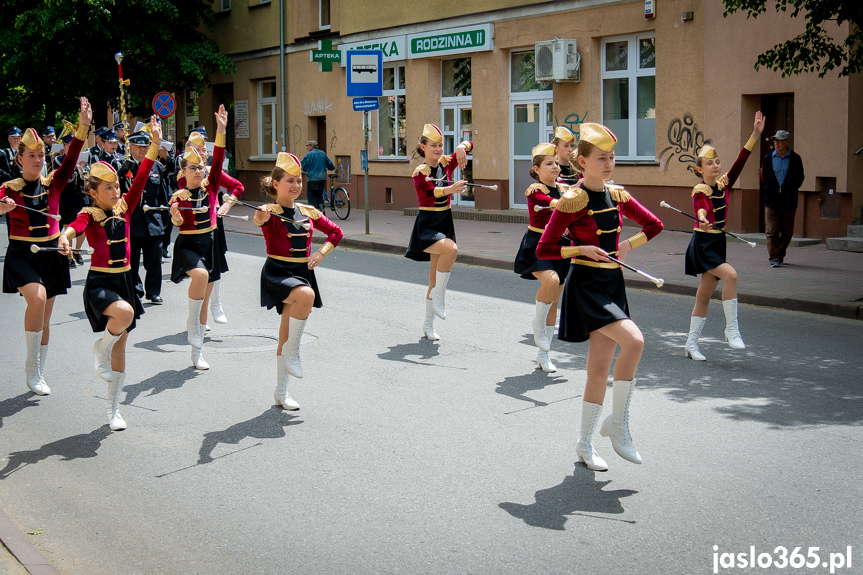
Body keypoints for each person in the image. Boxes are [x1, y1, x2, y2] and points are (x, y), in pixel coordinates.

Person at [537, 122, 663, 471]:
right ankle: (618, 425)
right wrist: (581, 249)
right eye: (601, 158)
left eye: (611, 158)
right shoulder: (572, 200)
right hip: (587, 286)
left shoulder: (618, 195)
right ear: (582, 162)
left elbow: (654, 225)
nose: (608, 164)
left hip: (613, 284)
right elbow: (545, 247)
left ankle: (584, 444)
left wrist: (626, 245)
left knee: (597, 371)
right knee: (635, 342)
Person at [61, 116, 162, 430]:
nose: (116, 190)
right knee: (124, 313)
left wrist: (155, 142)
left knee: (122, 345)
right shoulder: (89, 214)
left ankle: (113, 409)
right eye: (109, 188)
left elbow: (143, 173)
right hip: (101, 281)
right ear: (94, 193)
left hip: (125, 279)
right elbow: (74, 227)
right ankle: (98, 349)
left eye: (117, 185)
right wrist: (65, 237)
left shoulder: (125, 207)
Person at [0, 97, 92, 396]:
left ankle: (39, 371)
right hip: (23, 253)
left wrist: (84, 125)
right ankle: (30, 367)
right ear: (19, 158)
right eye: (32, 156)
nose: (39, 160)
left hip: (51, 252)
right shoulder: (8, 188)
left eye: (41, 155)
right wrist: (4, 207)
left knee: (46, 317)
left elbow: (72, 155)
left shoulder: (54, 182)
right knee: (37, 299)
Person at [255, 152, 343, 409]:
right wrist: (261, 216)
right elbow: (260, 220)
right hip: (277, 273)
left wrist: (320, 253)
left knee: (285, 332)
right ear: (276, 184)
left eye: (298, 181)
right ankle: (294, 352)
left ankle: (281, 392)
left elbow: (336, 232)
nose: (295, 186)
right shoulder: (269, 211)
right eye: (289, 181)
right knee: (306, 295)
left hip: (302, 272)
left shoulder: (308, 211)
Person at [683, 112, 765, 361]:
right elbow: (701, 205)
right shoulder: (701, 189)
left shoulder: (724, 184)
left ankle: (690, 344)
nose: (716, 166)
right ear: (700, 169)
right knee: (731, 275)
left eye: (718, 162)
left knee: (704, 296)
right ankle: (731, 331)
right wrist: (702, 216)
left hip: (718, 242)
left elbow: (742, 160)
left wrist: (755, 135)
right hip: (704, 243)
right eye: (710, 163)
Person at [168, 105, 230, 370]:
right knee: (201, 277)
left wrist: (221, 130)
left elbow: (217, 157)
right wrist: (176, 215)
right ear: (183, 171)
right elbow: (178, 223)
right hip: (189, 244)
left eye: (200, 167)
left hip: (210, 242)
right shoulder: (178, 195)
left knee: (206, 296)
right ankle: (192, 323)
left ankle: (196, 351)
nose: (198, 171)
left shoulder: (212, 184)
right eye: (192, 168)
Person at [405, 124, 470, 340]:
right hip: (428, 223)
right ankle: (440, 296)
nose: (438, 149)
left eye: (441, 145)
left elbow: (470, 145)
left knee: (433, 278)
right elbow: (429, 192)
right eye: (433, 145)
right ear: (423, 147)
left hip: (445, 220)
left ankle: (428, 324)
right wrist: (450, 189)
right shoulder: (419, 172)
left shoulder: (446, 163)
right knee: (451, 249)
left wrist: (461, 146)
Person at [513, 142, 571, 372]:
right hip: (538, 245)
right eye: (549, 163)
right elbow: (551, 204)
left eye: (557, 163)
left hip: (562, 247)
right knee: (551, 281)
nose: (555, 167)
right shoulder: (535, 190)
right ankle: (538, 324)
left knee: (555, 302)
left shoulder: (565, 189)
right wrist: (573, 198)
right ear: (537, 169)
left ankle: (543, 355)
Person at [179, 128, 246, 325]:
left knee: (214, 266)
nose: (201, 153)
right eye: (196, 149)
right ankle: (199, 314)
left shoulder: (210, 171)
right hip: (193, 227)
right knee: (200, 271)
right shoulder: (185, 173)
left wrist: (227, 203)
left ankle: (215, 305)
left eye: (203, 150)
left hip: (214, 222)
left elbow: (238, 186)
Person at [118, 129, 171, 304]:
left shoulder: (155, 166)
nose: (142, 150)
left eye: (145, 146)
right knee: (132, 262)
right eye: (138, 146)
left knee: (154, 260)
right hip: (132, 222)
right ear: (130, 147)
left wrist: (164, 219)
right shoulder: (124, 166)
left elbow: (162, 194)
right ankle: (135, 291)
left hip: (152, 222)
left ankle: (154, 291)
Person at [760, 130, 804, 267]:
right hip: (771, 200)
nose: (776, 143)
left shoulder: (795, 159)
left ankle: (780, 252)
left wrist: (790, 189)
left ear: (787, 142)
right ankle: (774, 257)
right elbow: (763, 177)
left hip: (789, 200)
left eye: (779, 141)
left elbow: (800, 178)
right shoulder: (768, 158)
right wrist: (770, 189)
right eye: (775, 141)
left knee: (787, 232)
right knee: (772, 230)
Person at [54, 130, 89, 268]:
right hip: (66, 198)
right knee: (69, 227)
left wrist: (84, 170)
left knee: (83, 227)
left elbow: (87, 179)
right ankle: (68, 255)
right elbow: (64, 179)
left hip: (81, 197)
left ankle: (77, 251)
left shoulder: (85, 158)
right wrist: (76, 168)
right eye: (70, 144)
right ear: (65, 146)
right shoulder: (59, 160)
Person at [300, 140, 335, 211]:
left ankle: (314, 212)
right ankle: (321, 206)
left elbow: (303, 167)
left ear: (312, 146)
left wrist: (306, 169)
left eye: (308, 146)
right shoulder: (322, 153)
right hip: (322, 178)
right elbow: (330, 164)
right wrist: (331, 168)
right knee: (319, 194)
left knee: (312, 196)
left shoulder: (309, 155)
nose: (307, 148)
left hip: (312, 179)